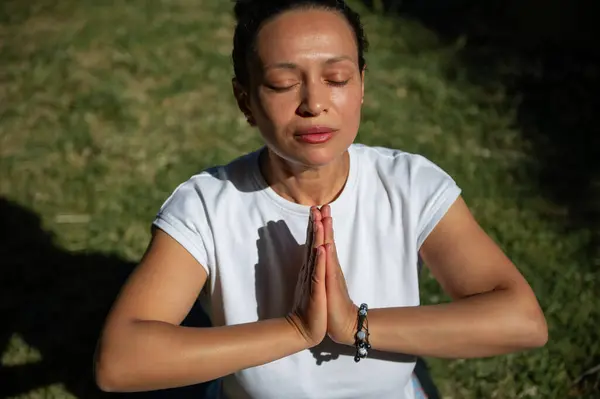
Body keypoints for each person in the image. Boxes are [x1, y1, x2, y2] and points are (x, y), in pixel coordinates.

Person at [93, 0, 548, 398]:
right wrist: (294, 331)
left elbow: (522, 321)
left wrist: (355, 325)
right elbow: (119, 362)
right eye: (282, 83)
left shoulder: (409, 185)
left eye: (337, 77)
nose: (314, 103)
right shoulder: (207, 206)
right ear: (245, 100)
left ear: (362, 84)